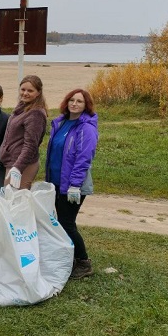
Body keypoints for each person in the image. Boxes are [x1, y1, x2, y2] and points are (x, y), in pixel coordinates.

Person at [45, 88, 99, 279]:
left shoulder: (86, 128)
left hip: (73, 186)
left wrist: (75, 184)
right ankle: (69, 258)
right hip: (57, 182)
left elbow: (83, 158)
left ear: (86, 106)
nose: (74, 104)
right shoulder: (61, 123)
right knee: (59, 222)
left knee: (66, 223)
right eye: (72, 100)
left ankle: (84, 262)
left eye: (79, 102)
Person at [0, 75, 48, 191]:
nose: (25, 93)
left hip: (23, 165)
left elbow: (31, 145)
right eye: (23, 89)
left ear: (38, 93)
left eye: (30, 90)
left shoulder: (36, 114)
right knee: (9, 200)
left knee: (17, 202)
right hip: (12, 162)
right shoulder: (23, 107)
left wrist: (18, 168)